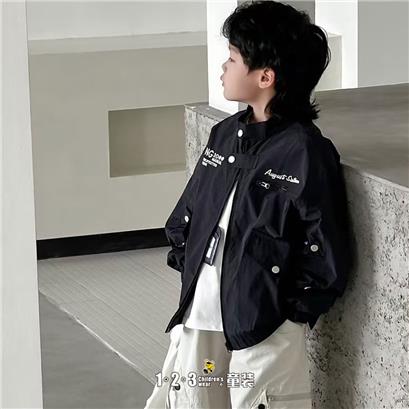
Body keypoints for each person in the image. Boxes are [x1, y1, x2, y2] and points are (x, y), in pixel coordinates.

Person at [144, 1, 351, 408]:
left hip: (265, 327)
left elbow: (326, 249)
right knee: (192, 400)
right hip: (201, 316)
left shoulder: (305, 153)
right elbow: (189, 212)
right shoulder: (224, 136)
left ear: (265, 76)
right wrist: (188, 263)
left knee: (260, 400)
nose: (224, 66)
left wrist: (290, 311)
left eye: (233, 58)